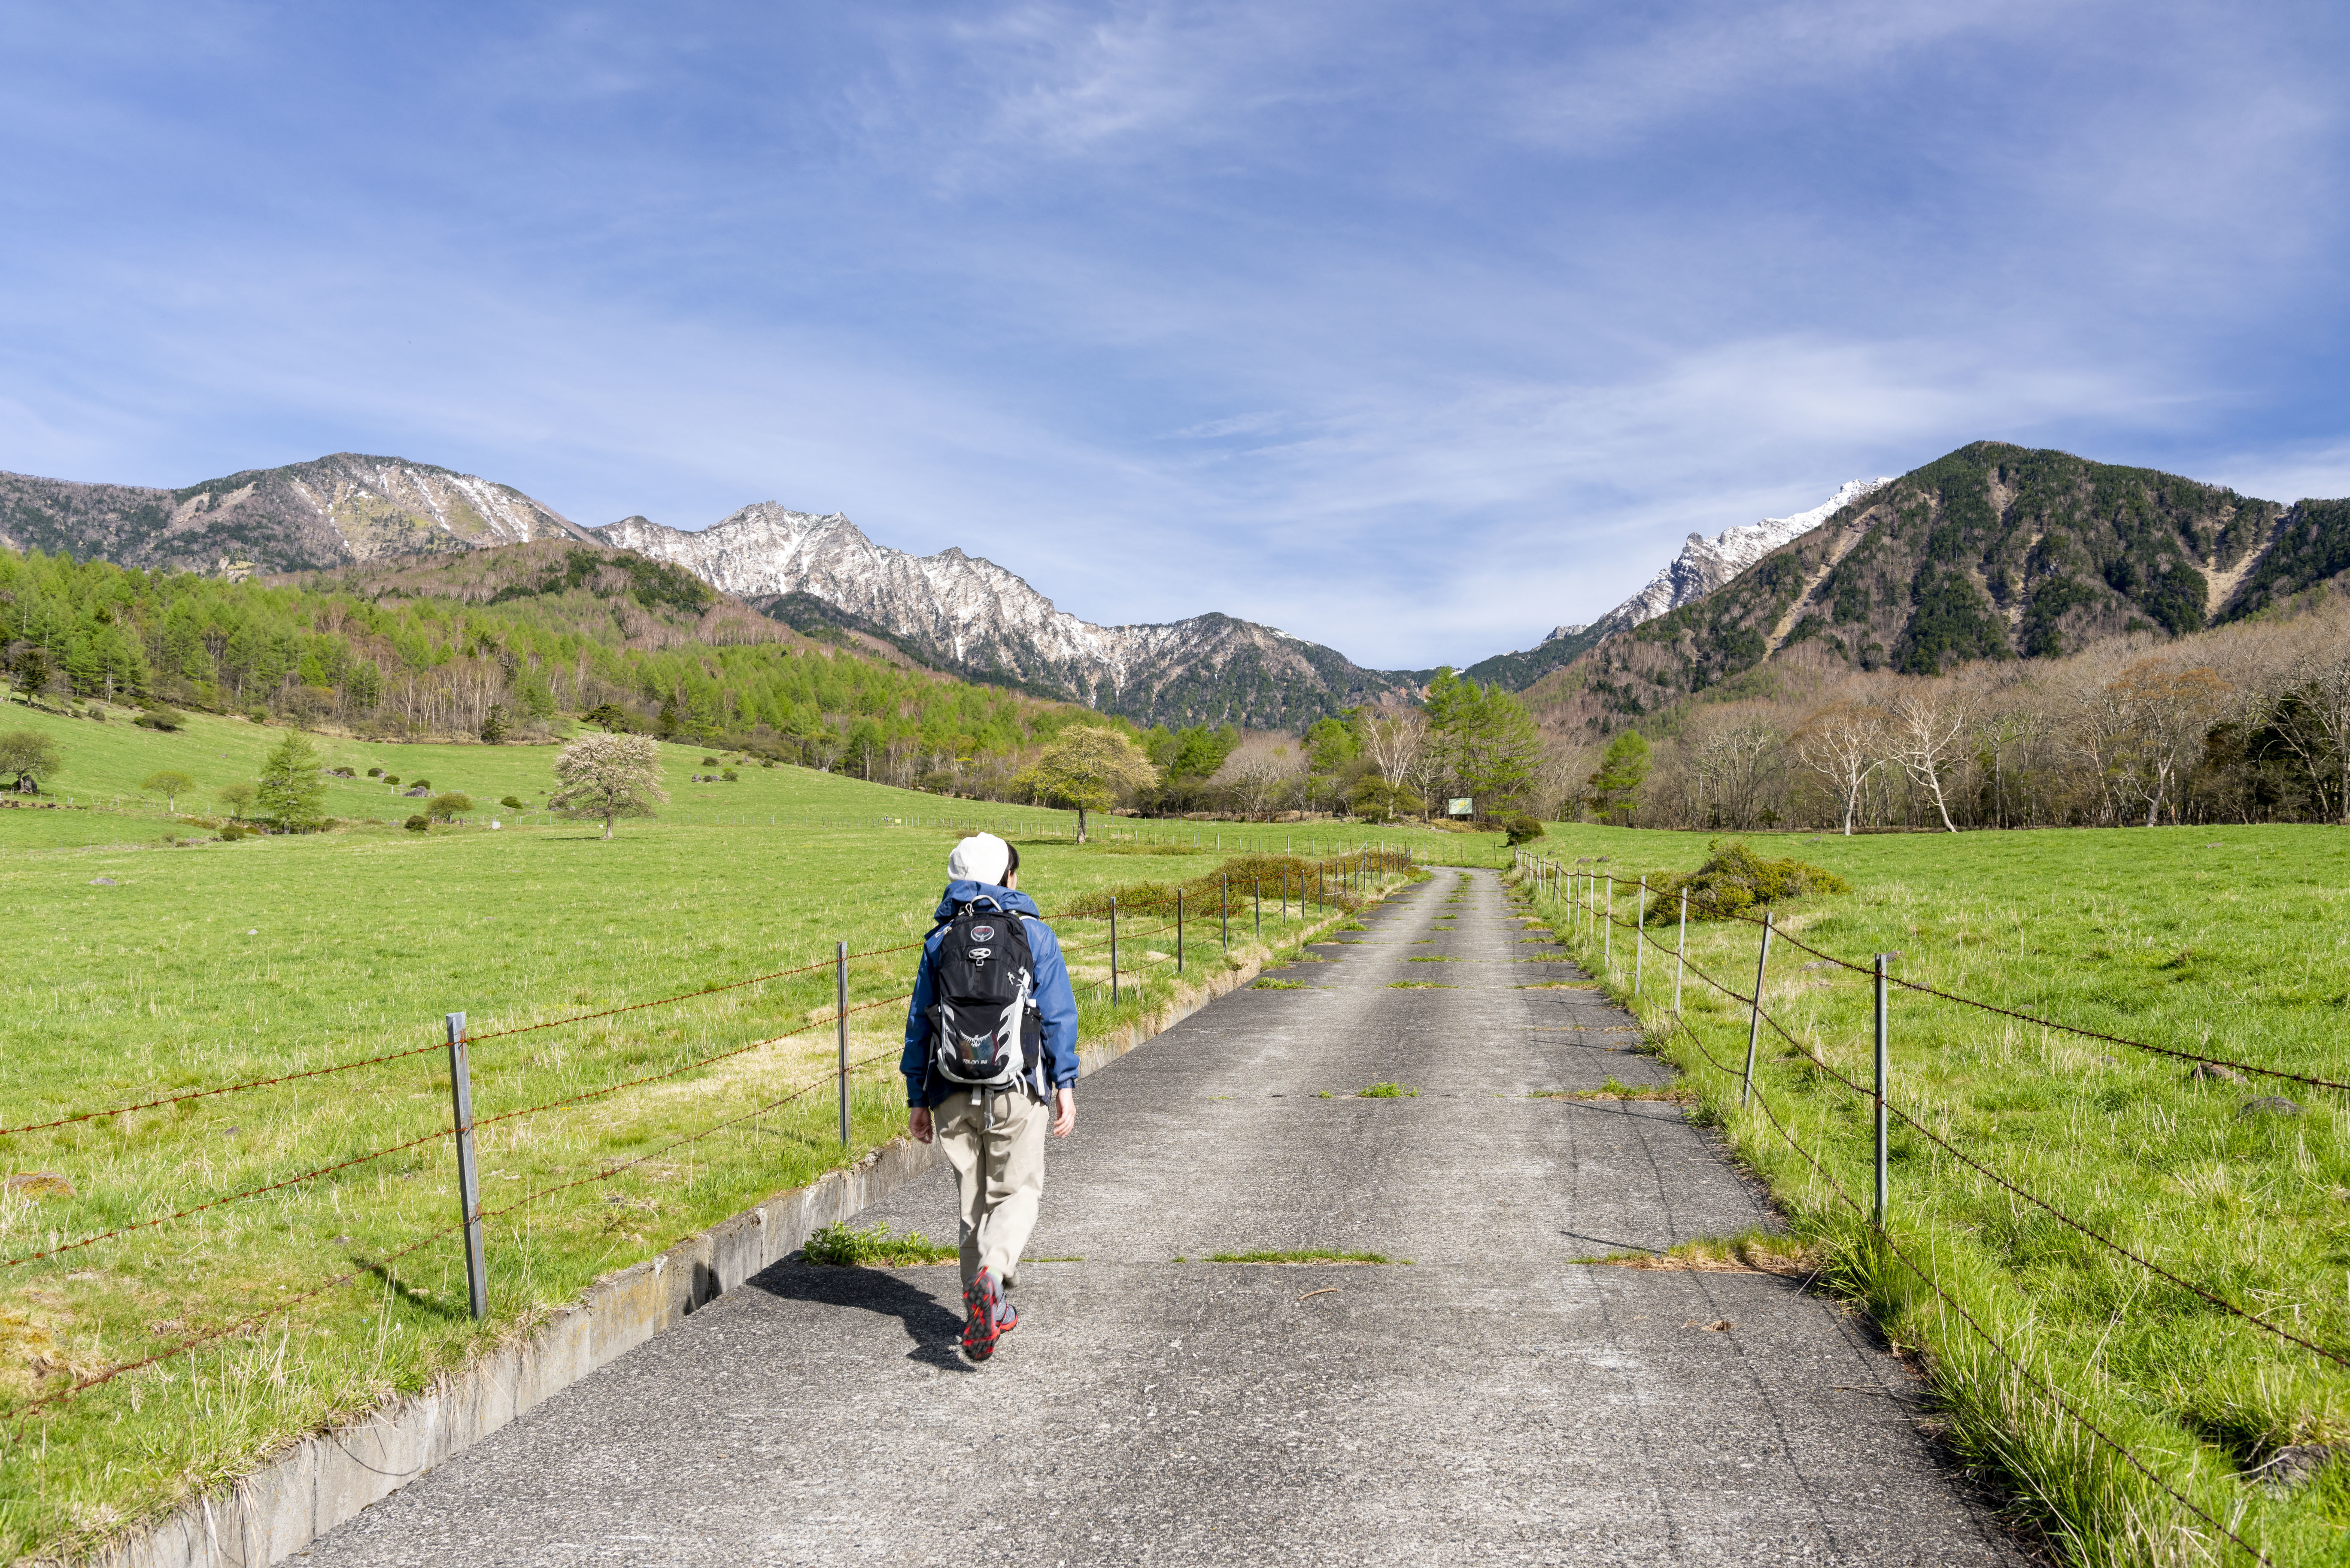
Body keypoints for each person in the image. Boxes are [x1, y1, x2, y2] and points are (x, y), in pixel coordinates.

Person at [902, 832, 1079, 1360]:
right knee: (1017, 1191)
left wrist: (917, 1094)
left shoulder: (940, 941)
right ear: (1009, 876)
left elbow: (918, 1024)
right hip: (1016, 1087)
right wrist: (1065, 1083)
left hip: (950, 1090)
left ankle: (980, 1306)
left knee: (971, 1204)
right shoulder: (1034, 935)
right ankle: (994, 1274)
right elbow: (1057, 1016)